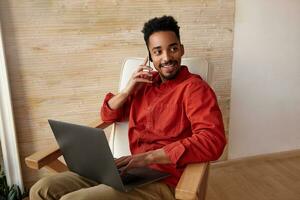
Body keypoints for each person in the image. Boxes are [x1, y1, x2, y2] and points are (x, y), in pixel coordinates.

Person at [30, 15, 226, 200]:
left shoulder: (194, 88)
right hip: (129, 171)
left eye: (172, 49)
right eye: (158, 52)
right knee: (41, 189)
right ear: (150, 56)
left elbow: (213, 140)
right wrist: (127, 91)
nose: (167, 58)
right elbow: (107, 115)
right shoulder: (144, 86)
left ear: (181, 49)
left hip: (165, 179)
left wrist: (147, 158)